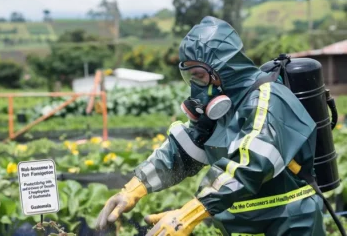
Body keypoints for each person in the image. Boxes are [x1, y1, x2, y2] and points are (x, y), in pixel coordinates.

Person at [96, 16, 326, 236]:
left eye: (199, 76)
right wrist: (133, 189)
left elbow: (250, 165)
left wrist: (187, 215)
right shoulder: (224, 107)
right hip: (243, 224)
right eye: (190, 77)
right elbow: (182, 151)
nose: (195, 86)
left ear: (222, 70)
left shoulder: (267, 99)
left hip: (288, 222)